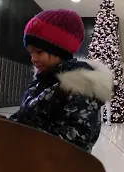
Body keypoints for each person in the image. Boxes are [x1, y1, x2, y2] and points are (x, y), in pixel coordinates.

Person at [9, 9, 113, 152]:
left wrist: (20, 141)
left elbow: (72, 143)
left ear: (60, 51)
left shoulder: (80, 87)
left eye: (39, 52)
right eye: (31, 53)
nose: (33, 59)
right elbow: (25, 116)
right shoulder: (42, 80)